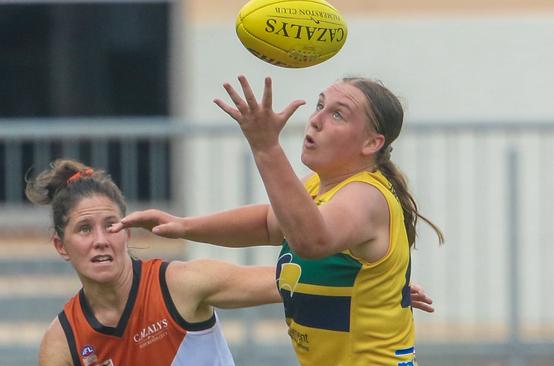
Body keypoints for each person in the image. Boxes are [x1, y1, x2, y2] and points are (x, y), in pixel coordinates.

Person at [114, 75, 444, 366]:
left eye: (338, 114)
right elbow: (271, 224)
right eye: (319, 105)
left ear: (372, 143)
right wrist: (184, 226)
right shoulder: (318, 186)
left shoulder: (365, 195)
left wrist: (267, 147)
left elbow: (312, 241)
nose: (315, 120)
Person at [29, 158, 435, 366]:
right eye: (84, 230)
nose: (101, 240)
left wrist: (373, 289)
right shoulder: (62, 340)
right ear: (60, 246)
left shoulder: (180, 285)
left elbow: (287, 282)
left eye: (110, 225)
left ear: (127, 231)